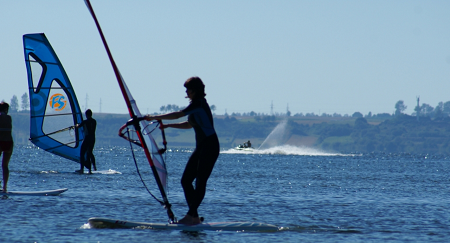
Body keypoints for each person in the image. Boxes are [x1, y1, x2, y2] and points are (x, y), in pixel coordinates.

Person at [144, 77, 220, 225]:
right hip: (201, 147)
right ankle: (194, 217)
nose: (186, 92)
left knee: (200, 181)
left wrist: (153, 117)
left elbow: (179, 114)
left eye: (188, 89)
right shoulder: (194, 105)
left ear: (195, 90)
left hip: (210, 146)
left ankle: (191, 215)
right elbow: (189, 124)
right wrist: (168, 126)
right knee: (185, 181)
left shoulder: (199, 104)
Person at [76, 109, 97, 174]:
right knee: (90, 153)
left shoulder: (85, 122)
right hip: (93, 139)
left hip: (87, 138)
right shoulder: (94, 121)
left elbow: (78, 126)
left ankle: (82, 169)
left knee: (82, 153)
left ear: (86, 115)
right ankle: (93, 168)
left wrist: (76, 125)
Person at [0, 102, 13, 192]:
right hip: (9, 143)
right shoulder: (9, 117)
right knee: (5, 166)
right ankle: (5, 187)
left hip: (0, 142)